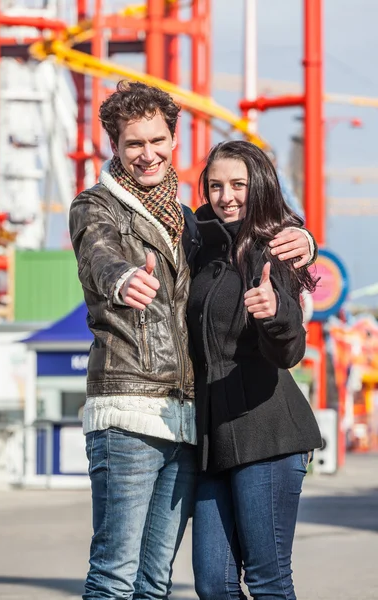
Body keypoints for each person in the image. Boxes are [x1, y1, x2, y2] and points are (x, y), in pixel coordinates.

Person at [69, 80, 317, 600]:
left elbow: (287, 343)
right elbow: (100, 253)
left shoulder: (233, 236)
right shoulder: (136, 216)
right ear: (114, 145)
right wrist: (120, 278)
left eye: (157, 141)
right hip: (164, 421)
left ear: (173, 140)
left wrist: (303, 252)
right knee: (167, 580)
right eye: (134, 144)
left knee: (206, 581)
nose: (147, 154)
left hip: (228, 427)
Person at [186, 140, 322, 600]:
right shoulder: (197, 245)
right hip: (210, 440)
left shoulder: (274, 248)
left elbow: (291, 350)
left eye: (238, 185)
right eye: (216, 185)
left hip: (267, 432)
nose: (226, 196)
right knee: (213, 584)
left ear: (258, 186)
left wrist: (276, 313)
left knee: (268, 583)